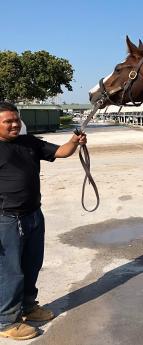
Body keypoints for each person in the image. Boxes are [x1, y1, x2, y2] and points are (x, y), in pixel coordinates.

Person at [0, 101, 87, 340]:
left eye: (16, 119)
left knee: (32, 264)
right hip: (6, 220)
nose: (14, 124)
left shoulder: (29, 143)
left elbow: (60, 152)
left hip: (34, 215)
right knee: (10, 272)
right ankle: (7, 321)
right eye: (8, 121)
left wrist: (74, 142)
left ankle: (29, 307)